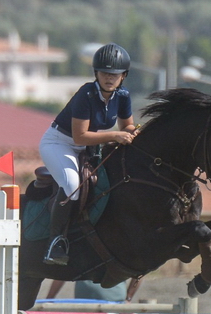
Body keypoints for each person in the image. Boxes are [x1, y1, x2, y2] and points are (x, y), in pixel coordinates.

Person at [39, 43, 137, 266]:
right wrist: (115, 136)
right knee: (73, 185)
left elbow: (127, 127)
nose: (109, 78)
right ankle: (56, 243)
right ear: (96, 74)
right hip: (59, 143)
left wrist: (139, 132)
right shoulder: (86, 93)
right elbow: (79, 137)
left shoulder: (123, 96)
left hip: (88, 146)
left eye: (115, 74)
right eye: (104, 73)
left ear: (123, 76)